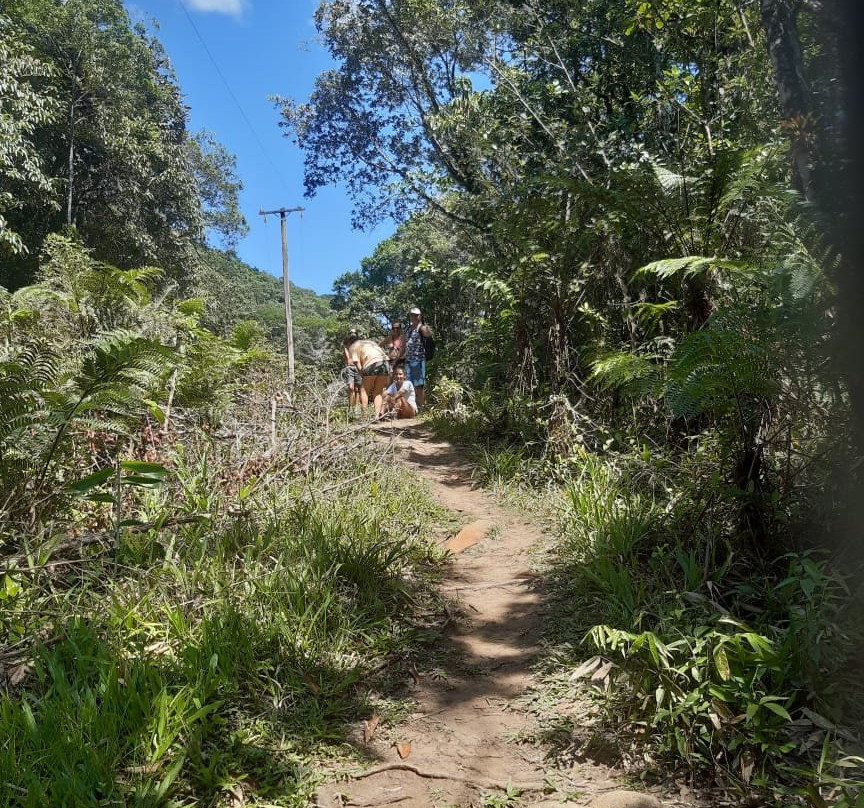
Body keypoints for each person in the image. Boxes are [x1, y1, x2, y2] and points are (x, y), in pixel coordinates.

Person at [347, 334, 391, 417]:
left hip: (371, 363)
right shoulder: (368, 342)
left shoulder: (353, 346)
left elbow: (356, 362)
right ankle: (377, 416)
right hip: (385, 363)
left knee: (364, 391)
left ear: (350, 343)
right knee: (378, 392)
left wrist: (361, 374)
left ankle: (365, 416)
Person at [403, 306, 431, 408]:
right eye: (411, 315)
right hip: (408, 361)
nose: (413, 317)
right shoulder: (407, 329)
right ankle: (410, 408)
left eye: (416, 315)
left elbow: (429, 342)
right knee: (407, 385)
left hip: (418, 360)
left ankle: (422, 407)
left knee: (419, 386)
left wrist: (428, 356)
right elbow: (404, 345)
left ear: (420, 316)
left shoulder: (422, 328)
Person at [341, 329, 364, 411]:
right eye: (351, 333)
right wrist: (345, 346)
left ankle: (356, 409)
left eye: (354, 333)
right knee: (351, 388)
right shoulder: (346, 345)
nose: (352, 335)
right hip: (350, 367)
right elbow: (346, 358)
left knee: (358, 388)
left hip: (358, 367)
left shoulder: (360, 345)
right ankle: (350, 408)